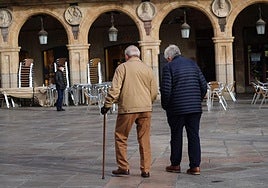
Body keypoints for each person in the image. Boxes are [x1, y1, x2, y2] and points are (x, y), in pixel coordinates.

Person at [101, 45, 158, 178]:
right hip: (145, 108)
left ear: (126, 56)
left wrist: (107, 105)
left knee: (121, 137)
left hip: (127, 108)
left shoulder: (122, 68)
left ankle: (123, 167)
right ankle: (146, 169)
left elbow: (115, 90)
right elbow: (154, 92)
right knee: (144, 139)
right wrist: (147, 102)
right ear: (138, 55)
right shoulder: (147, 69)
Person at [160, 44, 207, 175]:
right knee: (194, 136)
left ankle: (175, 164)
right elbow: (203, 85)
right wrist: (198, 99)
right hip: (194, 108)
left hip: (177, 109)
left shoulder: (168, 67)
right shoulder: (193, 64)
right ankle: (195, 166)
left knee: (176, 135)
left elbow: (166, 90)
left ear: (169, 57)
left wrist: (166, 105)